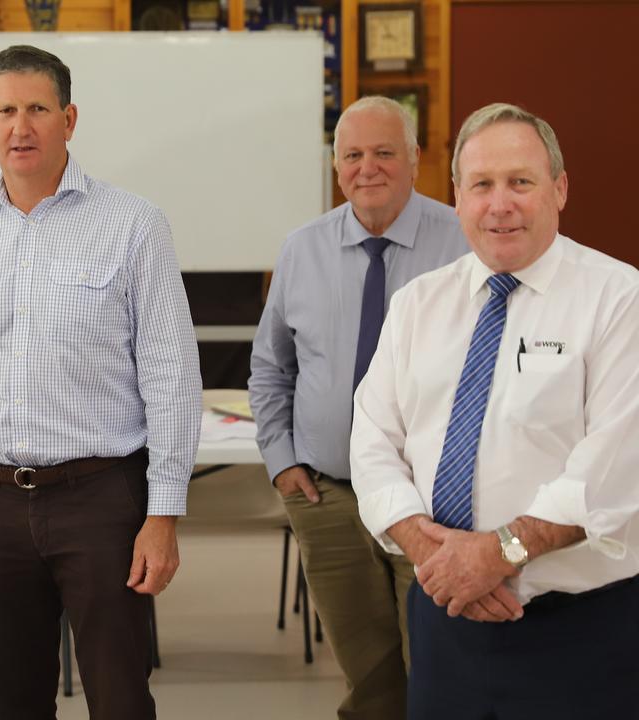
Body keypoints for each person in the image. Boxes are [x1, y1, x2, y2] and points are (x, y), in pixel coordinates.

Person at [0, 45, 201, 720]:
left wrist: (164, 514)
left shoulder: (132, 225)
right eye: (6, 110)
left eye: (38, 108)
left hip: (103, 501)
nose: (21, 126)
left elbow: (171, 375)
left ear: (68, 118)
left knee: (120, 695)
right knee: (16, 698)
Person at [351, 102, 639, 718]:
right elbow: (372, 439)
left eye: (521, 182)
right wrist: (440, 559)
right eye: (481, 184)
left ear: (559, 189)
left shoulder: (619, 300)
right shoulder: (419, 304)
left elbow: (613, 469)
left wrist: (496, 555)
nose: (499, 203)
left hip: (580, 631)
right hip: (444, 622)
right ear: (457, 196)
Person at [248, 96, 468, 718]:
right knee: (367, 673)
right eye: (352, 155)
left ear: (416, 159)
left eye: (383, 153)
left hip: (430, 503)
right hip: (328, 498)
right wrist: (283, 463)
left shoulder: (463, 243)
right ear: (336, 166)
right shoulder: (301, 249)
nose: (366, 168)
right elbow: (271, 367)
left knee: (435, 660)